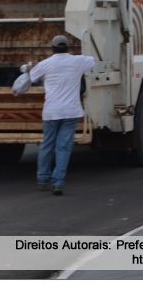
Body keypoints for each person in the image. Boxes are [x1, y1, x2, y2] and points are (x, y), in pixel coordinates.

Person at [28, 35, 95, 195]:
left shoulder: (45, 64)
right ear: (68, 47)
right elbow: (93, 60)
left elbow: (31, 78)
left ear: (52, 48)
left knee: (47, 145)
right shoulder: (78, 61)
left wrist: (30, 67)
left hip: (51, 112)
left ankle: (43, 179)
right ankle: (58, 182)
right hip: (71, 112)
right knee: (63, 147)